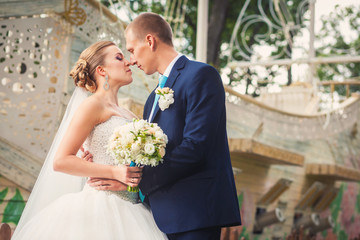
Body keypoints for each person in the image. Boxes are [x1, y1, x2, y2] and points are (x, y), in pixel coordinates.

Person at [12, 41, 167, 240]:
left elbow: (137, 168)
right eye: (119, 58)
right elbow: (61, 160)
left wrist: (133, 184)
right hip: (99, 207)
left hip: (133, 207)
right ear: (102, 70)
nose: (128, 62)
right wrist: (114, 171)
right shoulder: (92, 106)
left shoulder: (129, 114)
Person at [124, 12, 242, 239]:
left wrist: (143, 179)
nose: (131, 59)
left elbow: (196, 146)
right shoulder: (152, 98)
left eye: (131, 50)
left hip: (194, 214)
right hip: (156, 217)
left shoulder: (201, 75)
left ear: (150, 41)